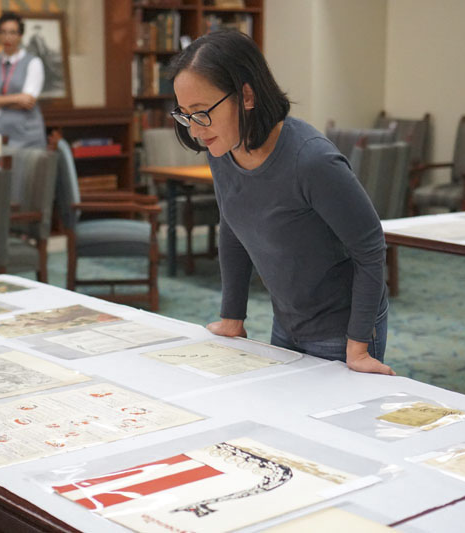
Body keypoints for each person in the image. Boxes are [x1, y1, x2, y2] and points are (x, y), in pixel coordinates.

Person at [169, 30, 394, 375]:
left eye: (202, 112)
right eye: (185, 115)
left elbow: (371, 247)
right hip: (288, 319)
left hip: (343, 328)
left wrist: (358, 348)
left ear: (246, 95)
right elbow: (232, 226)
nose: (196, 131)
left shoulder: (312, 161)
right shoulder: (222, 148)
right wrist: (232, 318)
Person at [0, 11, 46, 149]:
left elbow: (27, 102)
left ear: (20, 35)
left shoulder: (33, 63)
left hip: (28, 135)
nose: (7, 37)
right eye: (3, 32)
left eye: (13, 33)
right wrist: (17, 98)